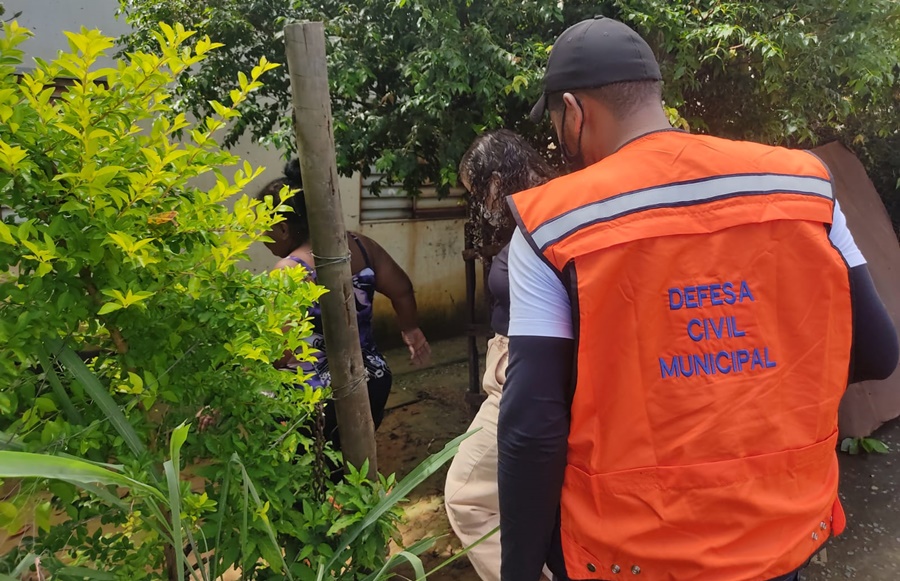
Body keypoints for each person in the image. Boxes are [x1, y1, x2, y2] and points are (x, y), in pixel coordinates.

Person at [498, 16, 899, 581]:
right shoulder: (806, 187)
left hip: (629, 553)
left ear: (575, 110)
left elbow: (532, 429)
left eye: (559, 121)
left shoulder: (552, 223)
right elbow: (878, 352)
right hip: (781, 532)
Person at [257, 159, 431, 454]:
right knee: (355, 461)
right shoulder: (361, 246)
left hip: (314, 396)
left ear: (283, 228)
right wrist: (411, 329)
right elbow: (401, 288)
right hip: (371, 380)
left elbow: (280, 352)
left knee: (310, 472)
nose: (261, 238)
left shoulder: (288, 271)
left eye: (263, 228)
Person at [444, 129, 556, 581]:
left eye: (479, 193)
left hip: (523, 371)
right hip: (520, 364)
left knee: (467, 497)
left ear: (495, 180)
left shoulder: (542, 217)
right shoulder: (540, 210)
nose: (482, 207)